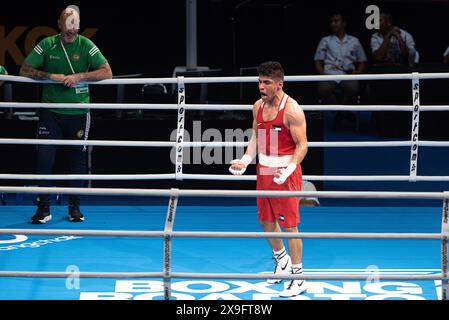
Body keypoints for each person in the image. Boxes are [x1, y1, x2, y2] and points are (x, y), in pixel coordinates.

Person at [20, 5, 113, 224]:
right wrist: (50, 76)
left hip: (79, 112)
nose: (71, 29)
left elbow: (107, 72)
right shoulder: (47, 44)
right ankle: (43, 208)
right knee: (44, 159)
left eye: (75, 24)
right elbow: (25, 69)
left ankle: (74, 207)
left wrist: (80, 76)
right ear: (60, 23)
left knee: (76, 160)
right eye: (68, 24)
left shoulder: (86, 44)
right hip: (50, 112)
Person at [229, 61, 308, 297]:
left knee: (289, 225)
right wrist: (245, 159)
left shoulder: (292, 110)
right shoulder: (257, 107)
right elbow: (257, 137)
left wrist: (289, 169)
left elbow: (303, 145)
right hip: (264, 169)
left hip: (286, 172)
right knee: (265, 219)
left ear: (279, 84)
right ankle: (282, 262)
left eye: (267, 83)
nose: (261, 87)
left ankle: (298, 277)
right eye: (259, 82)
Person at [314, 14, 367, 130]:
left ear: (344, 23)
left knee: (354, 89)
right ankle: (342, 113)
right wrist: (322, 75)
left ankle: (340, 114)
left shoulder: (354, 41)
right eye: (331, 21)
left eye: (336, 21)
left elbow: (362, 60)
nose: (333, 23)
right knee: (322, 89)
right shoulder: (325, 40)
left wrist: (357, 72)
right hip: (329, 75)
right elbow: (317, 60)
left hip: (347, 75)